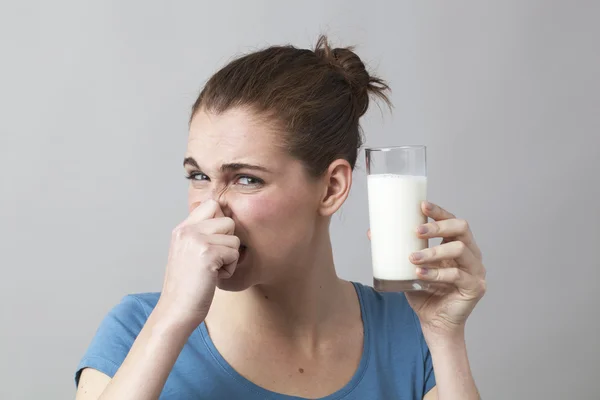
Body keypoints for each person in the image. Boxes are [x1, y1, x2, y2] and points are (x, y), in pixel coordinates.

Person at [75, 35, 486, 400]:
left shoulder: (409, 329)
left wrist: (445, 338)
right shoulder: (137, 331)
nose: (210, 208)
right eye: (198, 176)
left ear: (331, 188)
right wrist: (171, 320)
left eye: (247, 179)